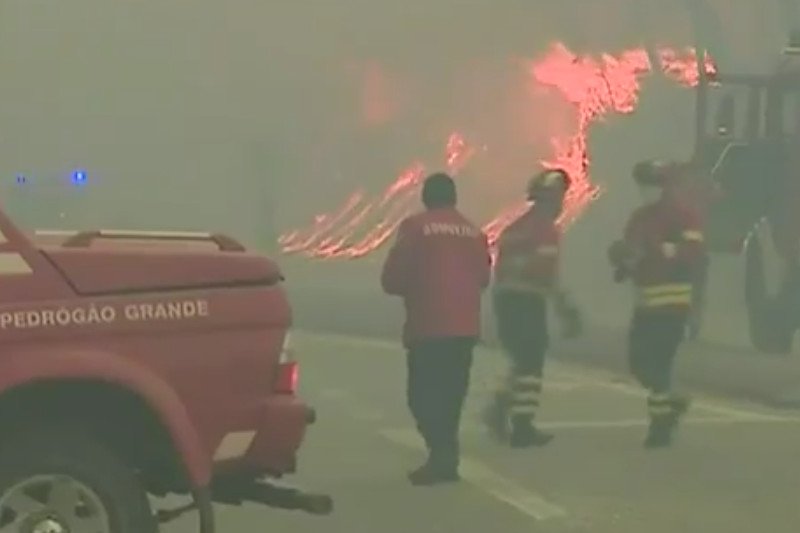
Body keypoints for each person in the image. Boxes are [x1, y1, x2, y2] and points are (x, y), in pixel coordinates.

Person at [381, 172, 491, 486]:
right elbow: (483, 278)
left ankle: (441, 455)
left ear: (426, 198)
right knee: (452, 395)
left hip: (427, 327)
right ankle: (446, 457)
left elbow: (392, 279)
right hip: (464, 329)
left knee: (421, 397)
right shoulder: (474, 232)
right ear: (454, 198)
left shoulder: (415, 228)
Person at [607, 159, 705, 448]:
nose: (646, 190)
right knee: (638, 363)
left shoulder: (684, 216)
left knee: (659, 363)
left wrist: (661, 248)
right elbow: (632, 256)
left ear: (664, 186)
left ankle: (661, 426)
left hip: (673, 304)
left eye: (652, 184)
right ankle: (671, 402)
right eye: (643, 185)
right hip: (645, 304)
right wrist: (622, 261)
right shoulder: (639, 218)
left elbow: (693, 251)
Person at [484, 168, 575, 448]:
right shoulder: (546, 230)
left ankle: (499, 407)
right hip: (527, 302)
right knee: (532, 362)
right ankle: (522, 424)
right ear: (551, 200)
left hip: (505, 301)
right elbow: (545, 272)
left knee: (521, 359)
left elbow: (501, 269)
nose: (562, 205)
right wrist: (564, 308)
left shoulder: (515, 228)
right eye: (560, 198)